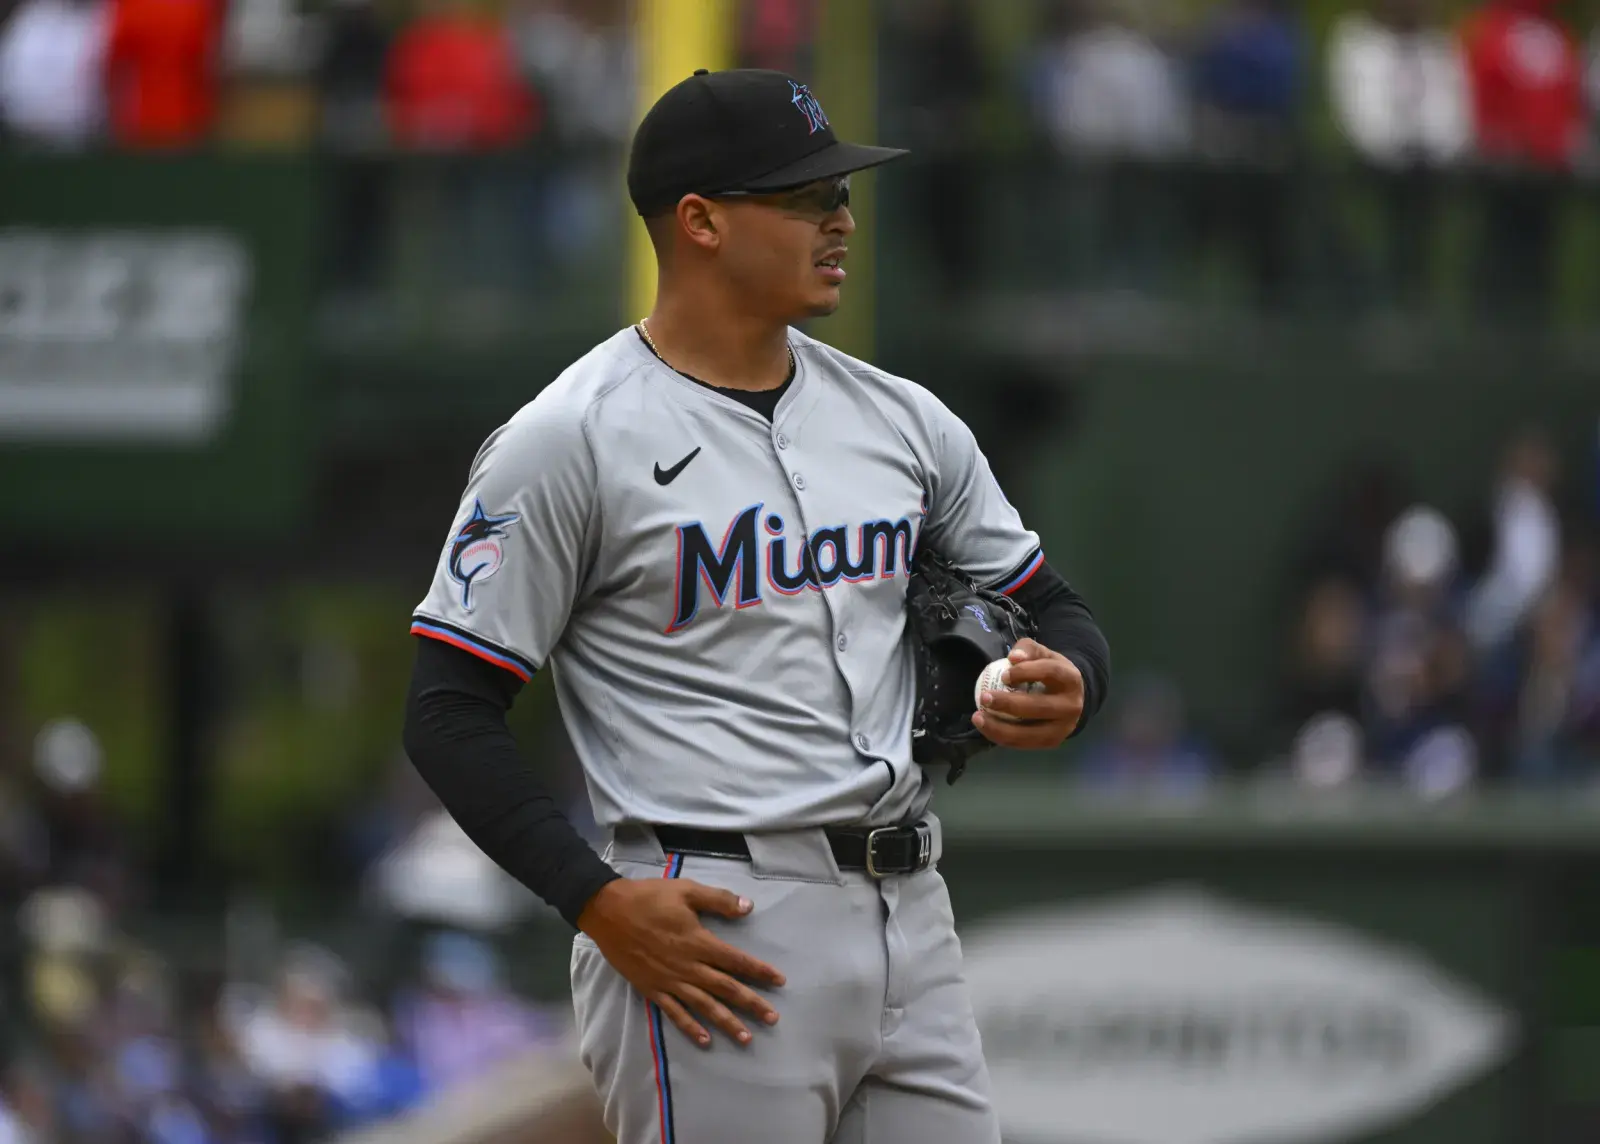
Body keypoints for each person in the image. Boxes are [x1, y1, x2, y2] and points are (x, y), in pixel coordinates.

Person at [401, 67, 1111, 1144]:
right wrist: (592, 896)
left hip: (909, 902)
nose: (841, 220)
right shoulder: (569, 439)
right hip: (712, 915)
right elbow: (446, 709)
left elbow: (1051, 608)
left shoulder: (900, 418)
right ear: (699, 222)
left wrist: (1073, 678)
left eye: (840, 194)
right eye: (804, 198)